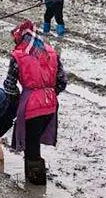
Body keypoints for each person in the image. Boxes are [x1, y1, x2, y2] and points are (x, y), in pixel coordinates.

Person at [5, 20, 67, 185]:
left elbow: (10, 86)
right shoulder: (51, 52)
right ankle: (32, 182)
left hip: (31, 104)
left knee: (31, 147)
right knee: (34, 142)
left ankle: (36, 189)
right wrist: (48, 94)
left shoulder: (18, 55)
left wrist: (18, 101)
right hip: (51, 103)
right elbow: (62, 82)